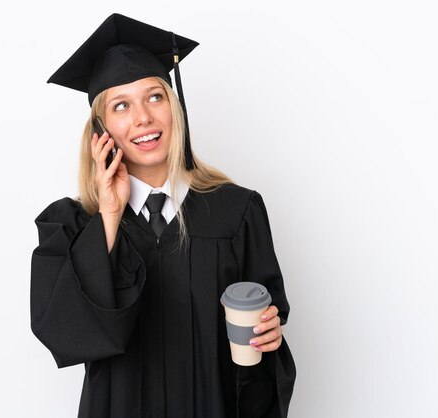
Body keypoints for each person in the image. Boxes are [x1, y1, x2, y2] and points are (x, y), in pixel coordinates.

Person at [30, 13, 296, 418]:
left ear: (174, 107)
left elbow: (260, 344)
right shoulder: (74, 224)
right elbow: (66, 334)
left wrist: (269, 338)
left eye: (155, 97)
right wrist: (110, 215)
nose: (143, 118)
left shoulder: (236, 212)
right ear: (101, 130)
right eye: (121, 105)